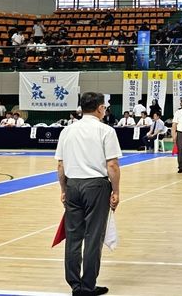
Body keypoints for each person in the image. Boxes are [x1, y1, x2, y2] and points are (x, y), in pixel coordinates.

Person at [55, 92, 121, 296]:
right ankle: (88, 285)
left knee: (74, 237)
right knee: (93, 237)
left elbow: (60, 165)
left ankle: (74, 284)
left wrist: (64, 189)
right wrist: (116, 191)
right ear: (100, 108)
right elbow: (112, 165)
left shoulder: (67, 131)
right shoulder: (106, 131)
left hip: (73, 184)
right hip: (96, 186)